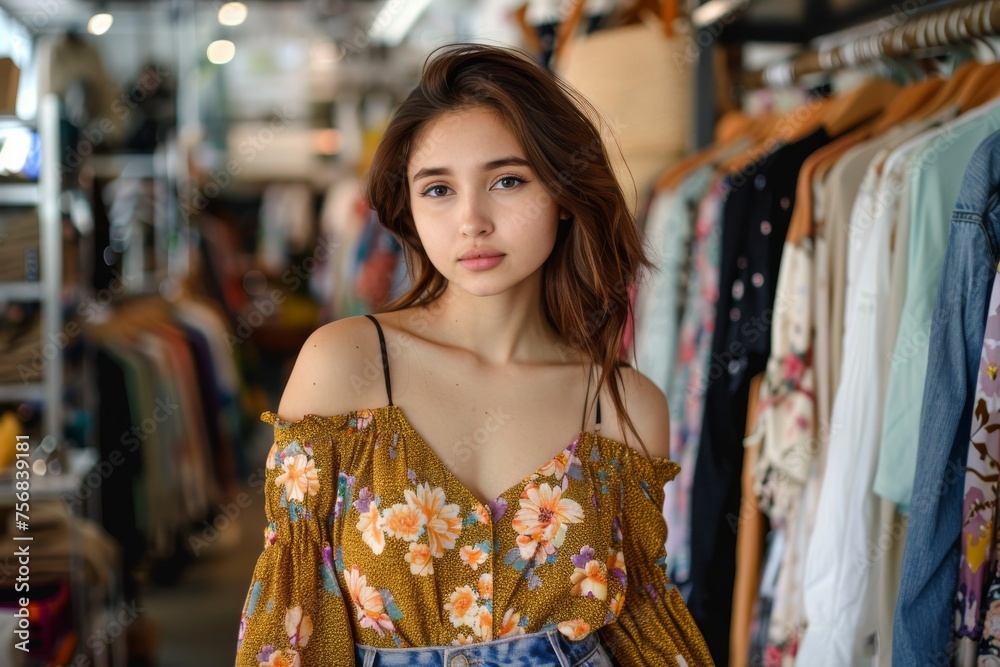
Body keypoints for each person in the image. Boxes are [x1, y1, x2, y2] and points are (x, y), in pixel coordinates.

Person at [235, 42, 712, 667]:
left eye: (507, 181)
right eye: (438, 189)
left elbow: (647, 635)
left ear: (564, 193)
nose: (472, 220)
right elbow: (291, 623)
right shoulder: (346, 364)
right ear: (407, 206)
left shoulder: (624, 407)